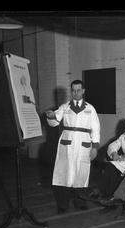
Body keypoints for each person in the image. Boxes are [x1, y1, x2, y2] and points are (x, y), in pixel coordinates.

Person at [46, 80, 100, 213]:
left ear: (83, 91)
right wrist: (51, 116)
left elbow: (96, 129)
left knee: (81, 172)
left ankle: (81, 202)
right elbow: (54, 122)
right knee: (65, 173)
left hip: (83, 145)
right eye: (73, 90)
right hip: (67, 144)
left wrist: (94, 147)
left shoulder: (90, 109)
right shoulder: (65, 107)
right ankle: (63, 205)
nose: (75, 93)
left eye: (78, 90)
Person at [78, 115, 125, 213]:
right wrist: (114, 152)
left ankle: (96, 191)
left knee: (111, 166)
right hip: (124, 162)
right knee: (113, 172)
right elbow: (113, 145)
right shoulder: (124, 135)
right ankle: (110, 202)